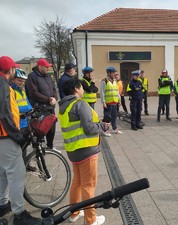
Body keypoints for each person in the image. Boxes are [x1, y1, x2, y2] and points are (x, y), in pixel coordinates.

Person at [0, 56, 41, 225]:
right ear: (9, 70)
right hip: (5, 136)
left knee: (3, 171)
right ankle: (19, 214)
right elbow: (5, 115)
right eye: (13, 70)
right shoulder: (2, 85)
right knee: (17, 174)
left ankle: (2, 205)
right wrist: (18, 136)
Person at [58, 78, 108, 225]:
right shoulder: (80, 104)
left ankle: (74, 213)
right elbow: (90, 128)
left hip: (73, 151)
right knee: (88, 186)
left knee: (77, 183)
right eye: (81, 87)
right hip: (87, 150)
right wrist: (102, 126)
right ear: (75, 88)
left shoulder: (63, 107)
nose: (82, 89)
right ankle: (91, 220)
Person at [25, 58, 59, 150]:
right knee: (39, 130)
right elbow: (33, 93)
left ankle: (50, 146)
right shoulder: (32, 77)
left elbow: (53, 89)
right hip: (39, 108)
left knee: (51, 128)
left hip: (50, 107)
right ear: (40, 66)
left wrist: (55, 98)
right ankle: (38, 149)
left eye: (48, 67)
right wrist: (48, 99)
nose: (48, 69)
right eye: (46, 67)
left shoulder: (48, 76)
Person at [10, 69, 35, 171]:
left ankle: (25, 164)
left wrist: (32, 109)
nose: (21, 83)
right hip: (17, 122)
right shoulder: (12, 91)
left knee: (24, 145)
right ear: (14, 80)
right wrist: (28, 109)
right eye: (19, 80)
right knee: (18, 147)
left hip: (25, 122)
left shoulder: (22, 91)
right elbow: (13, 107)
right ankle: (19, 166)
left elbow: (28, 103)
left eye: (23, 81)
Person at [100, 66, 122, 137]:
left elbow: (117, 91)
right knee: (107, 117)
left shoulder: (115, 81)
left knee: (114, 116)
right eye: (113, 73)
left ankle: (115, 128)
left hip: (114, 102)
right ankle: (105, 130)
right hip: (108, 102)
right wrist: (103, 102)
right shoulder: (104, 81)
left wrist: (119, 100)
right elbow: (102, 92)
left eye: (114, 73)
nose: (114, 74)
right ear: (108, 73)